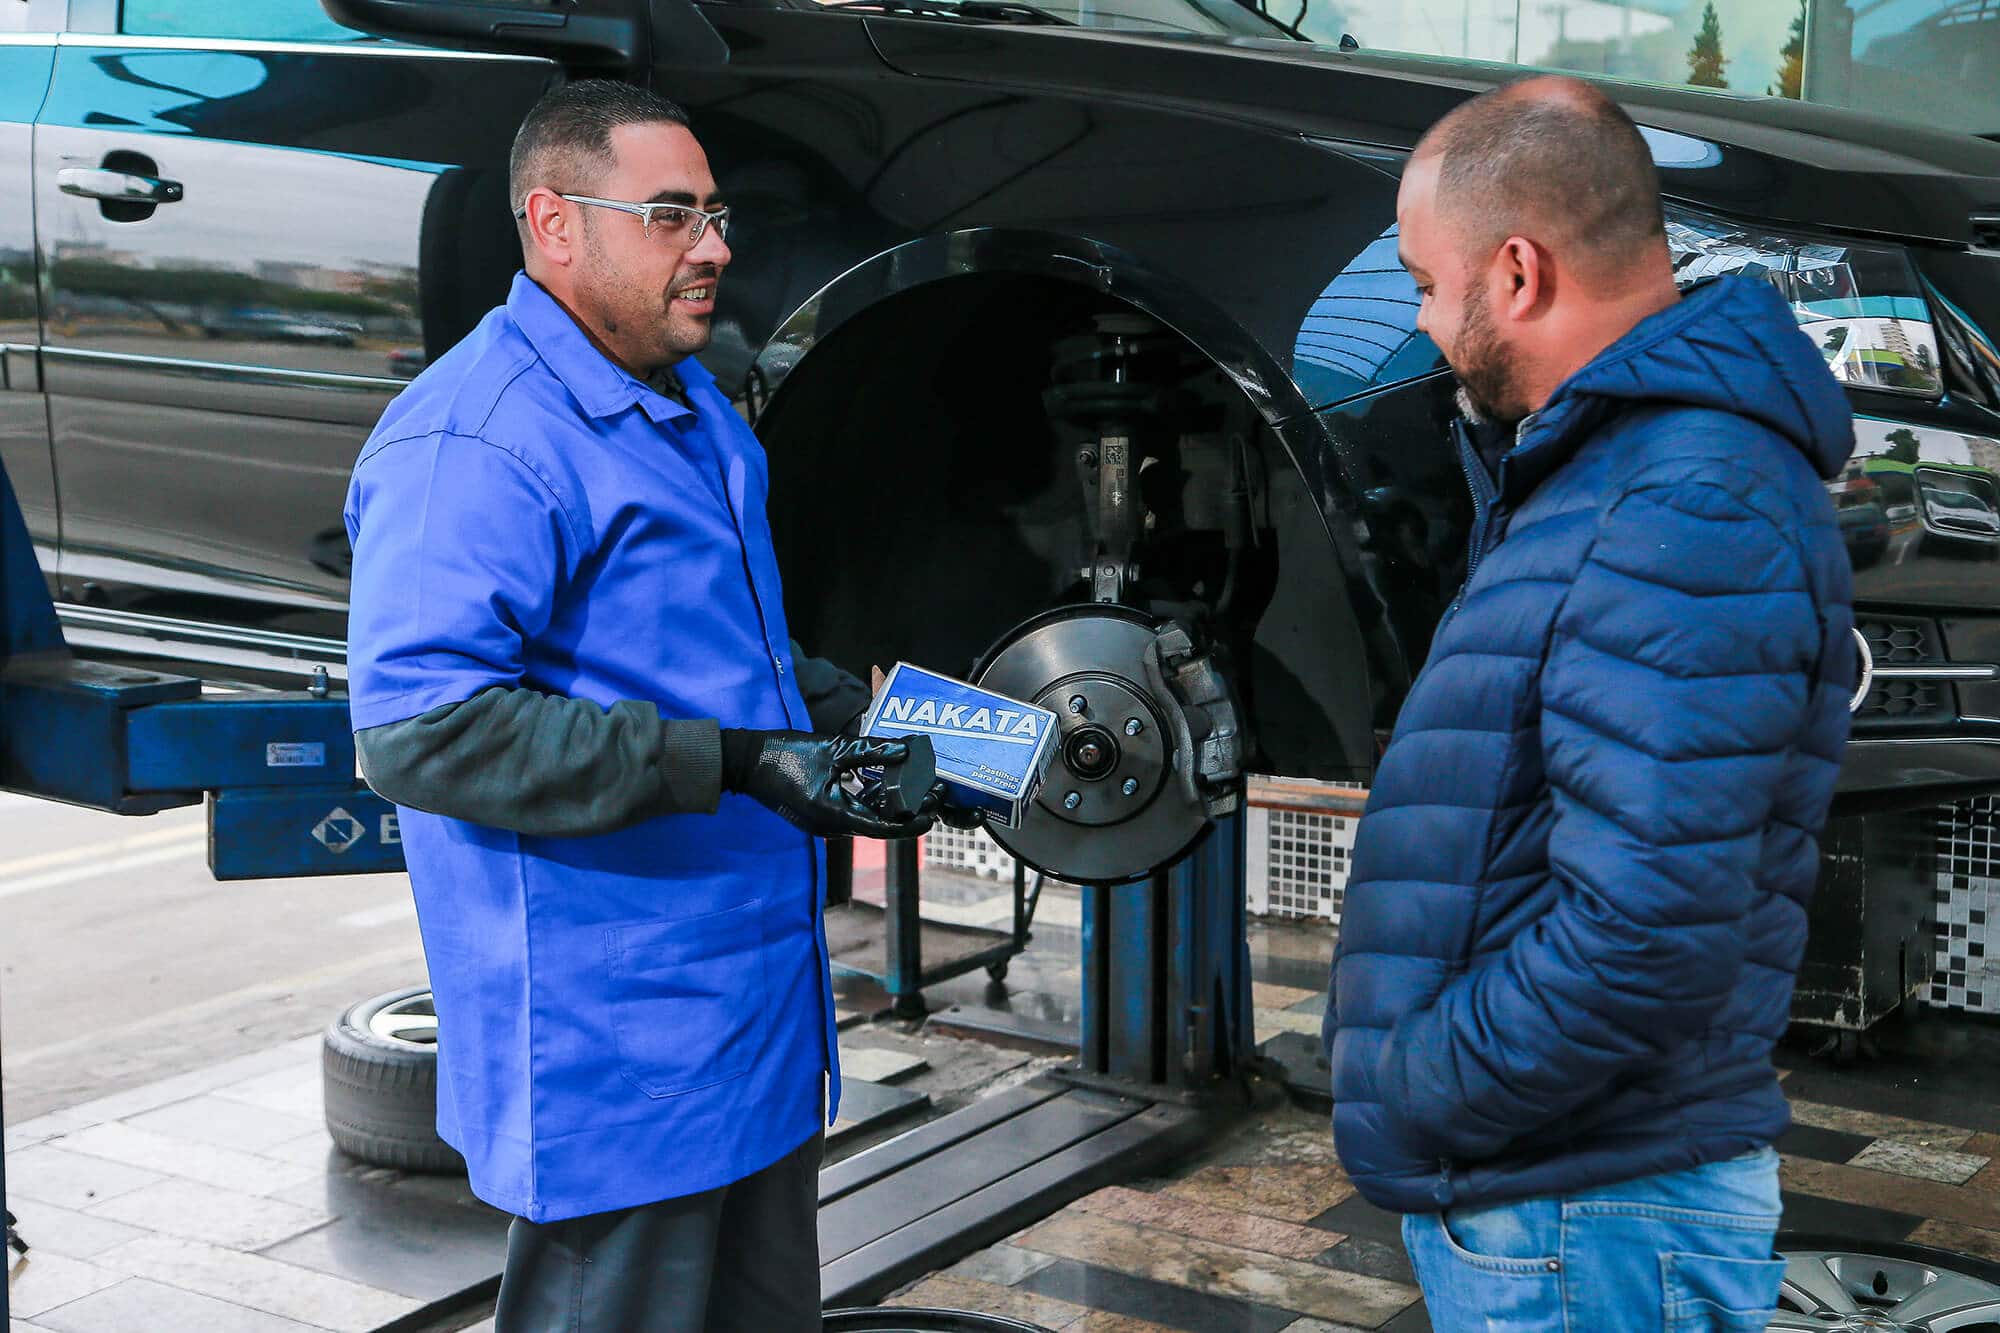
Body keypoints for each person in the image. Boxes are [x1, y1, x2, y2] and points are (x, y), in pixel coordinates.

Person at [344, 80, 962, 1332]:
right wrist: (733, 762)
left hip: (749, 1019)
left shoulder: (691, 411)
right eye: (673, 214)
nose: (717, 245)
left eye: (715, 213)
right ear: (555, 224)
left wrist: (876, 720)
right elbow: (420, 729)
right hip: (612, 1053)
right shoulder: (477, 442)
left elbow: (720, 645)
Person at [1322, 76, 1855, 1332]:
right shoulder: (1615, 474)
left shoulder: (1686, 501)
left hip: (1587, 1216)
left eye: (1420, 280)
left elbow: (1648, 926)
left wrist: (1421, 1079)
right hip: (1565, 1200)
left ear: (1514, 273)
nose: (1420, 320)